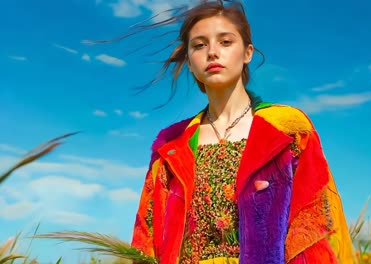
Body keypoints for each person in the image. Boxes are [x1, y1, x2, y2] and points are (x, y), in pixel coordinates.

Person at [130, 1, 355, 263]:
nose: (212, 52)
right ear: (189, 62)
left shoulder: (287, 129)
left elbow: (315, 222)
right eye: (199, 45)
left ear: (247, 52)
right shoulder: (171, 146)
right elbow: (146, 238)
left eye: (225, 42)